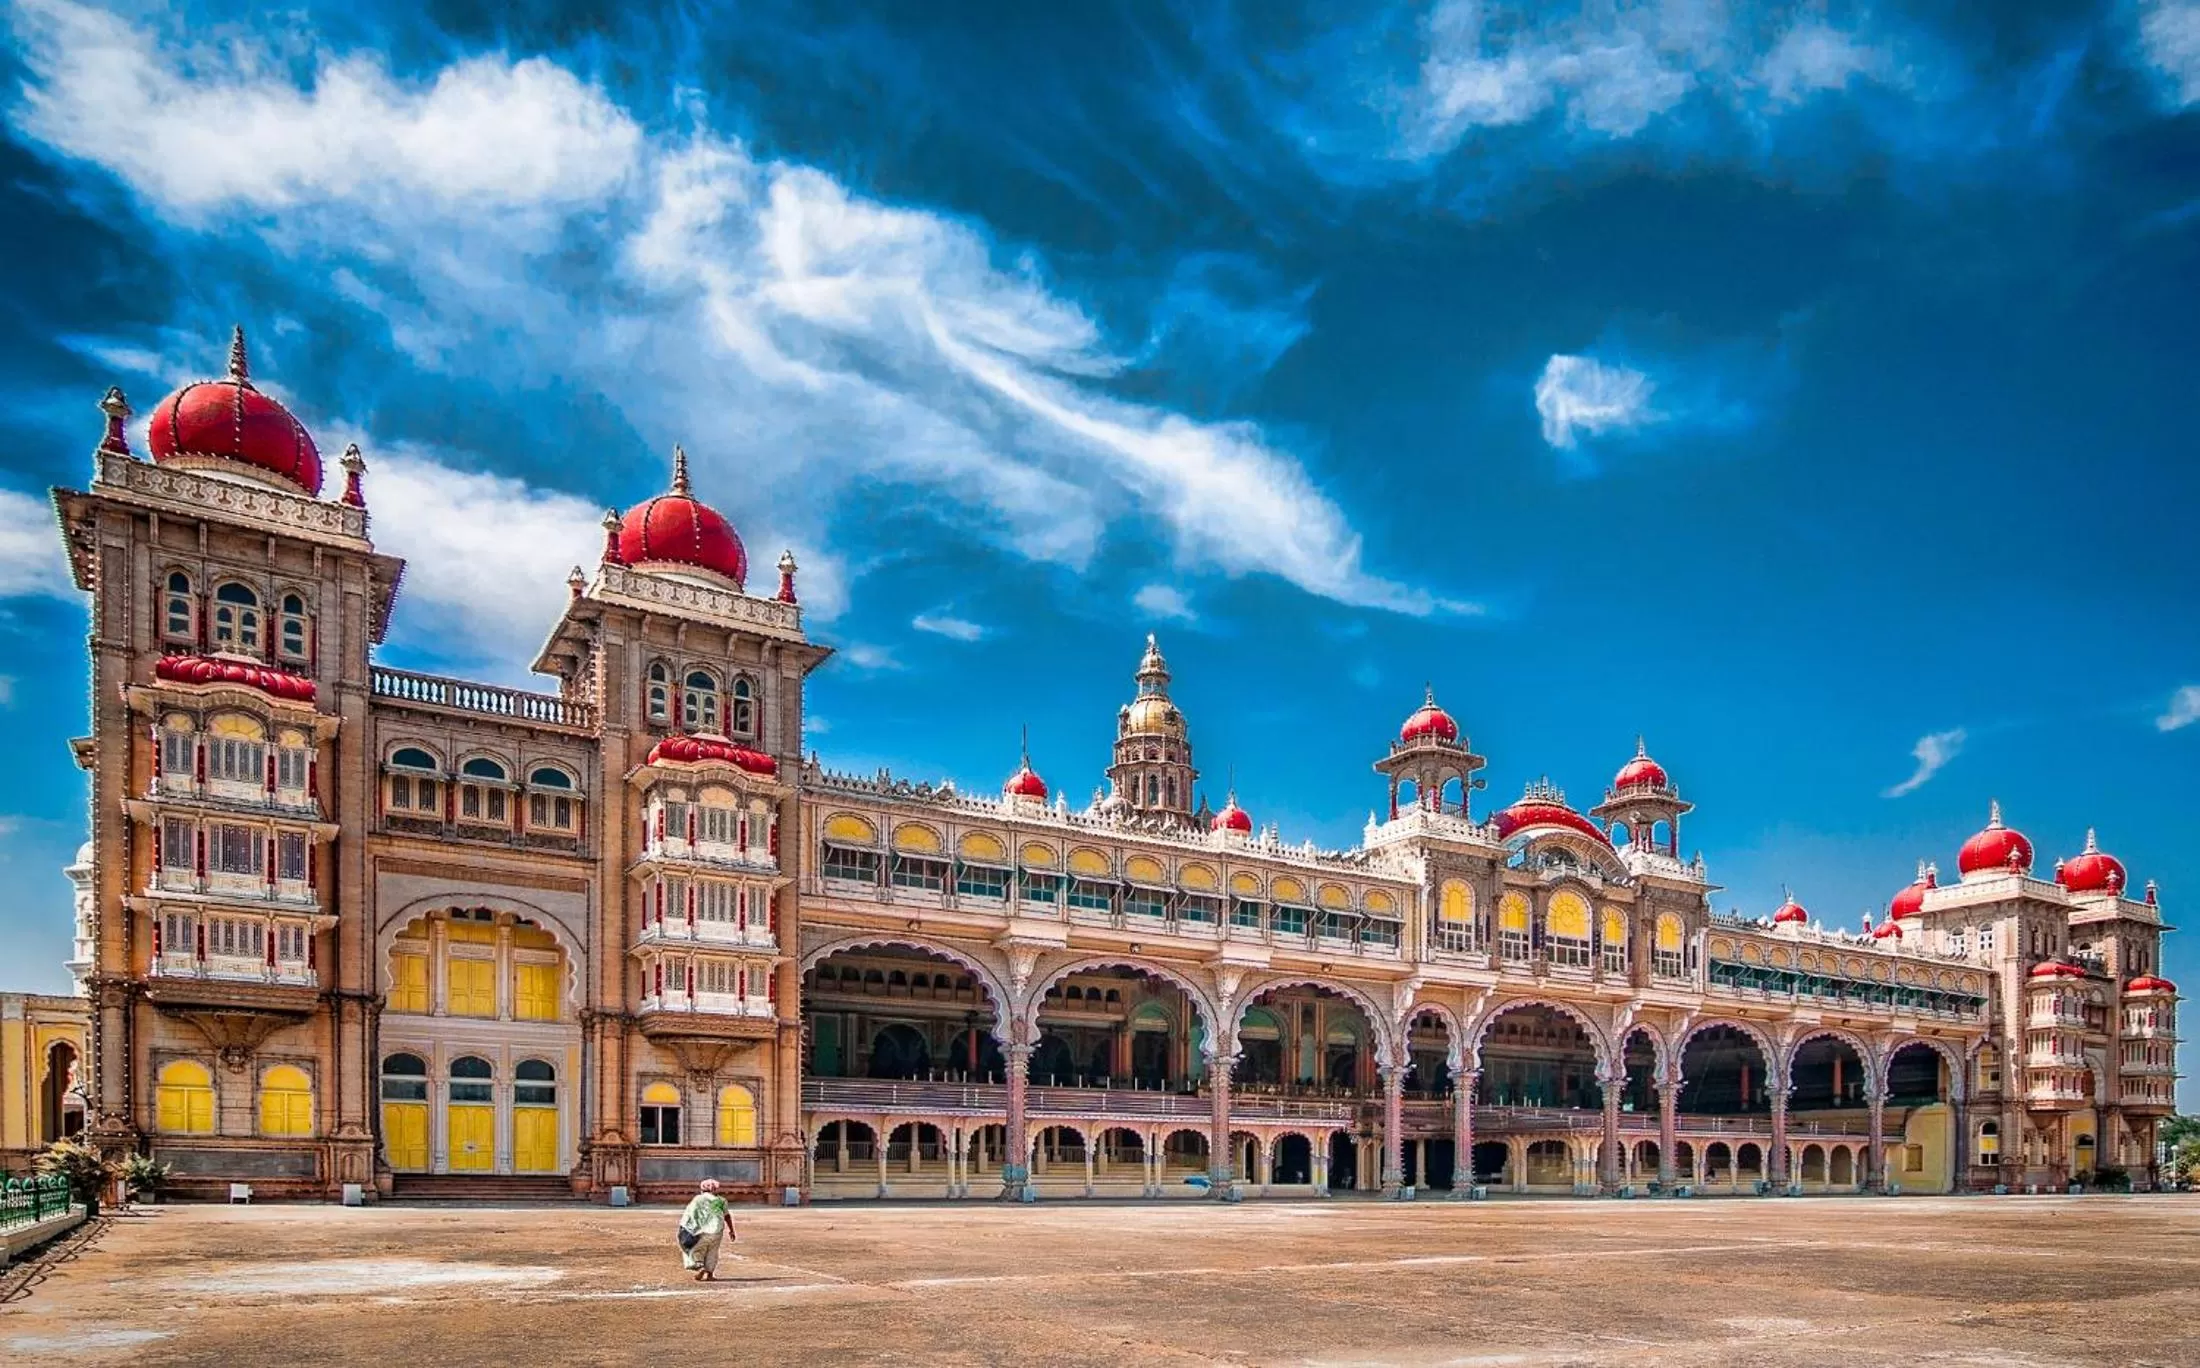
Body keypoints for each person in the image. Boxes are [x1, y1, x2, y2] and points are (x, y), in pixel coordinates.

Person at [678, 1178, 734, 1280]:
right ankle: (710, 1274)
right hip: (717, 1230)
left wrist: (685, 1227)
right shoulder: (721, 1200)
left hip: (702, 1230)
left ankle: (700, 1268)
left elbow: (690, 1214)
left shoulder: (698, 1199)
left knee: (696, 1250)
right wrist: (731, 1230)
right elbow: (727, 1216)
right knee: (713, 1252)